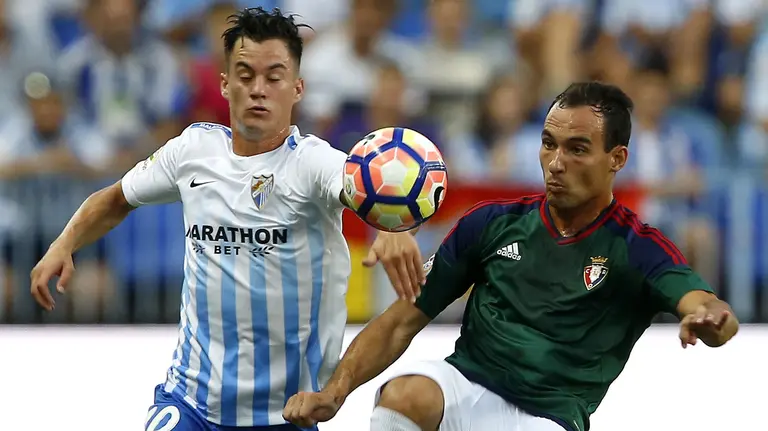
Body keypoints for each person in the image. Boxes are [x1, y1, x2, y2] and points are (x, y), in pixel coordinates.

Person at [29, 7, 425, 431]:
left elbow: (376, 191)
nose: (258, 89)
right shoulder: (192, 151)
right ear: (224, 84)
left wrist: (394, 228)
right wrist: (64, 242)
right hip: (191, 403)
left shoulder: (314, 163)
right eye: (245, 74)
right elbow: (115, 199)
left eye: (273, 77)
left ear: (297, 88)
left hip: (287, 413)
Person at [282, 82, 740, 431]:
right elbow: (403, 319)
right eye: (548, 144)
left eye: (577, 148)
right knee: (404, 395)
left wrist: (710, 320)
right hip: (466, 385)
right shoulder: (491, 223)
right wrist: (334, 394)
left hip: (550, 415)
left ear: (617, 158)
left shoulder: (638, 248)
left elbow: (706, 306)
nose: (556, 162)